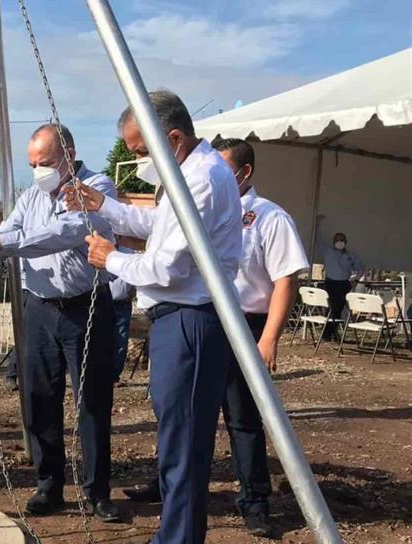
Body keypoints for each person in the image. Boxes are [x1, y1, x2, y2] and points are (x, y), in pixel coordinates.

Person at [65, 90, 243, 544]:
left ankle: (178, 539)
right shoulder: (186, 174)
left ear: (174, 138)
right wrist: (103, 206)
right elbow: (158, 226)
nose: (138, 160)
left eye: (141, 151)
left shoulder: (200, 180)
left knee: (183, 446)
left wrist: (112, 259)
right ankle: (174, 534)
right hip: (179, 320)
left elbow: (167, 266)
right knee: (176, 439)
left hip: (191, 319)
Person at [122, 138, 309, 539]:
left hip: (245, 324)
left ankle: (254, 501)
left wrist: (270, 338)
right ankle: (166, 487)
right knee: (183, 416)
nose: (219, 176)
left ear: (244, 173)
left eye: (227, 170)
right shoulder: (195, 202)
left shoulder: (269, 217)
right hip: (206, 320)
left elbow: (285, 280)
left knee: (242, 419)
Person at [0, 124, 120, 520]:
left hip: (87, 307)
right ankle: (49, 485)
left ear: (69, 154)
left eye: (45, 163)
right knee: (39, 398)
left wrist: (2, 242)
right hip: (41, 309)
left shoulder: (97, 188)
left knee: (92, 402)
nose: (38, 171)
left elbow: (65, 232)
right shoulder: (31, 196)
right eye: (33, 164)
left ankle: (97, 491)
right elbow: (9, 230)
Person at [316, 216, 364, 336]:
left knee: (337, 309)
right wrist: (317, 224)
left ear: (345, 242)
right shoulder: (328, 251)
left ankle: (331, 333)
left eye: (342, 240)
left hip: (343, 284)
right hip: (331, 283)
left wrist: (356, 280)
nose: (340, 242)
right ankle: (328, 334)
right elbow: (318, 239)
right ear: (334, 242)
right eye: (337, 240)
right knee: (331, 308)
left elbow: (361, 268)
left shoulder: (351, 255)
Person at [110, 241, 136, 383]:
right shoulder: (100, 250)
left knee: (120, 340)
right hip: (103, 302)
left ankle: (114, 376)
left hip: (123, 304)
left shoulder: (128, 252)